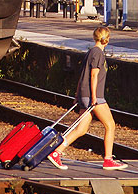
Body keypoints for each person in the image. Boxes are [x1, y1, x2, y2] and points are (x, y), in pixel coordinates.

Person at [47, 26, 127, 171]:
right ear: (107, 39)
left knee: (81, 129)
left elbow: (82, 75)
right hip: (94, 96)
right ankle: (108, 160)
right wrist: (94, 97)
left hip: (85, 95)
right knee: (110, 125)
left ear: (95, 37)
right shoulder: (98, 53)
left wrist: (77, 94)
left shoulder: (90, 52)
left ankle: (56, 152)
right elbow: (93, 75)